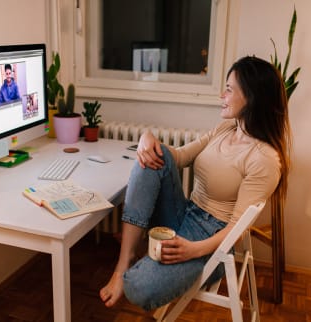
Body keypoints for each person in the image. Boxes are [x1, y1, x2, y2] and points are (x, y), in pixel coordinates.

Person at [99, 56, 292, 311]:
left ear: (252, 97)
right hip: (184, 214)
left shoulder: (264, 159)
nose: (221, 95)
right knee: (153, 158)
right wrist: (147, 138)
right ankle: (124, 261)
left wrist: (193, 250)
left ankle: (146, 258)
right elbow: (177, 157)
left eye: (229, 89)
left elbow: (236, 229)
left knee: (137, 287)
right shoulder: (225, 129)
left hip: (211, 242)